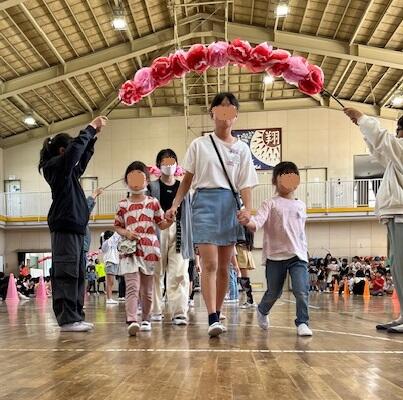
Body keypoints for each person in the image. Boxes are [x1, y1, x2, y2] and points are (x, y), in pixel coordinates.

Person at [166, 92, 258, 337]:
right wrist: (175, 205)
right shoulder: (199, 144)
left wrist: (247, 210)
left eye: (230, 109)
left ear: (236, 116)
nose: (225, 113)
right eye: (220, 108)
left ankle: (217, 312)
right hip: (204, 203)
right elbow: (187, 179)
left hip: (229, 204)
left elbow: (246, 183)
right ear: (212, 113)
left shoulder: (242, 149)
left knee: (226, 265)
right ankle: (211, 317)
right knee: (210, 263)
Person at [38, 115, 107, 332]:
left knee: (77, 274)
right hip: (65, 226)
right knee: (66, 273)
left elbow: (81, 160)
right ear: (62, 151)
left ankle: (75, 316)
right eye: (69, 151)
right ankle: (67, 319)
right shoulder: (54, 167)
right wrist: (90, 128)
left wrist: (92, 139)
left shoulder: (69, 174)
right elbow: (74, 154)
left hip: (75, 228)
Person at [345, 109, 403, 332]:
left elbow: (383, 140)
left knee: (402, 267)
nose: (396, 134)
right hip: (395, 216)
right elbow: (380, 151)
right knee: (397, 268)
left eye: (399, 130)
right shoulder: (396, 157)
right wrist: (363, 129)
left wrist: (362, 118)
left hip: (401, 216)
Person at [240, 161, 313, 337]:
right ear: (275, 181)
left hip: (298, 256)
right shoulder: (270, 203)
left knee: (301, 290)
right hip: (275, 256)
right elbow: (256, 223)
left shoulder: (301, 205)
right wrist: (247, 220)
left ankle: (302, 322)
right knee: (274, 292)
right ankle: (262, 310)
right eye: (283, 176)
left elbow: (299, 232)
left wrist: (304, 252)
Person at [114, 161, 172, 336]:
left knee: (147, 289)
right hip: (130, 250)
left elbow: (161, 224)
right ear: (127, 181)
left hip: (149, 250)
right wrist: (127, 232)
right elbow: (117, 226)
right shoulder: (122, 204)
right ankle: (132, 319)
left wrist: (170, 220)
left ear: (146, 180)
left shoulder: (153, 202)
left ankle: (146, 318)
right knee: (132, 285)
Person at [149, 149, 193, 326]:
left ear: (177, 164)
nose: (168, 165)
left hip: (180, 231)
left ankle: (179, 312)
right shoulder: (151, 187)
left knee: (179, 273)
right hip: (157, 230)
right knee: (155, 272)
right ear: (158, 165)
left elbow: (189, 213)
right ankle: (155, 310)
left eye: (172, 162)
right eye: (165, 162)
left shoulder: (184, 188)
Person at [236, 231, 256, 308]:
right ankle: (250, 300)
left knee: (243, 275)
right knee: (242, 274)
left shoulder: (243, 226)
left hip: (241, 247)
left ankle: (250, 301)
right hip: (241, 247)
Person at [101, 230, 121, 304]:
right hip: (110, 262)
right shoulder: (106, 243)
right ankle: (109, 298)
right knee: (110, 282)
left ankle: (110, 298)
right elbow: (116, 235)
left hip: (114, 262)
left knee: (111, 282)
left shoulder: (113, 243)